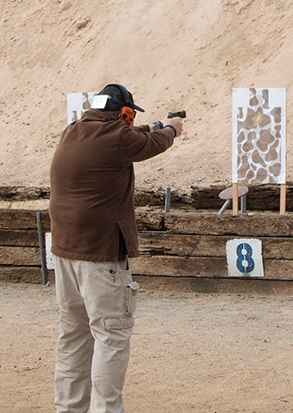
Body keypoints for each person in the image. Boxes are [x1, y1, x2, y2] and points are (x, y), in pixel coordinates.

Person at [49, 83, 183, 413]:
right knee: (111, 337)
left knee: (74, 338)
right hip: (100, 256)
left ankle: (69, 408)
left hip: (66, 255)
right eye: (128, 116)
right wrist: (171, 129)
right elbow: (151, 142)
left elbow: (127, 137)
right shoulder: (118, 138)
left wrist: (151, 125)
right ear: (123, 113)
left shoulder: (73, 131)